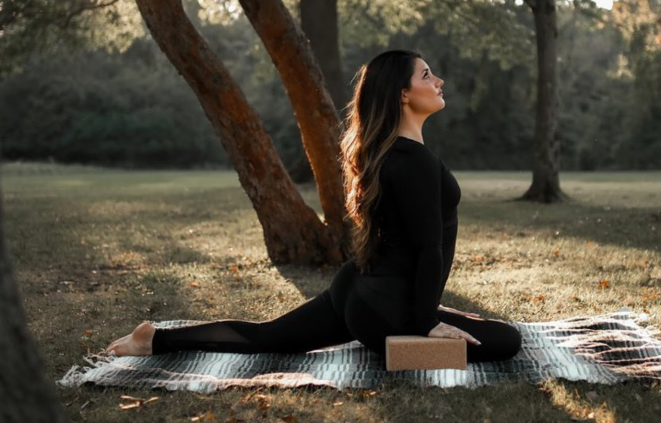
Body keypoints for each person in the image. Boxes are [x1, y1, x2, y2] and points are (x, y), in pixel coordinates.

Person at [104, 50, 522, 363]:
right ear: (403, 96)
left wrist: (429, 310)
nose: (439, 81)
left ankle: (154, 339)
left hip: (356, 289)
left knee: (269, 338)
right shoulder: (416, 163)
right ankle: (403, 347)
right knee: (507, 341)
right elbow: (430, 249)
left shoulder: (388, 153)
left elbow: (408, 245)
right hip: (388, 314)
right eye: (427, 75)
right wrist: (428, 321)